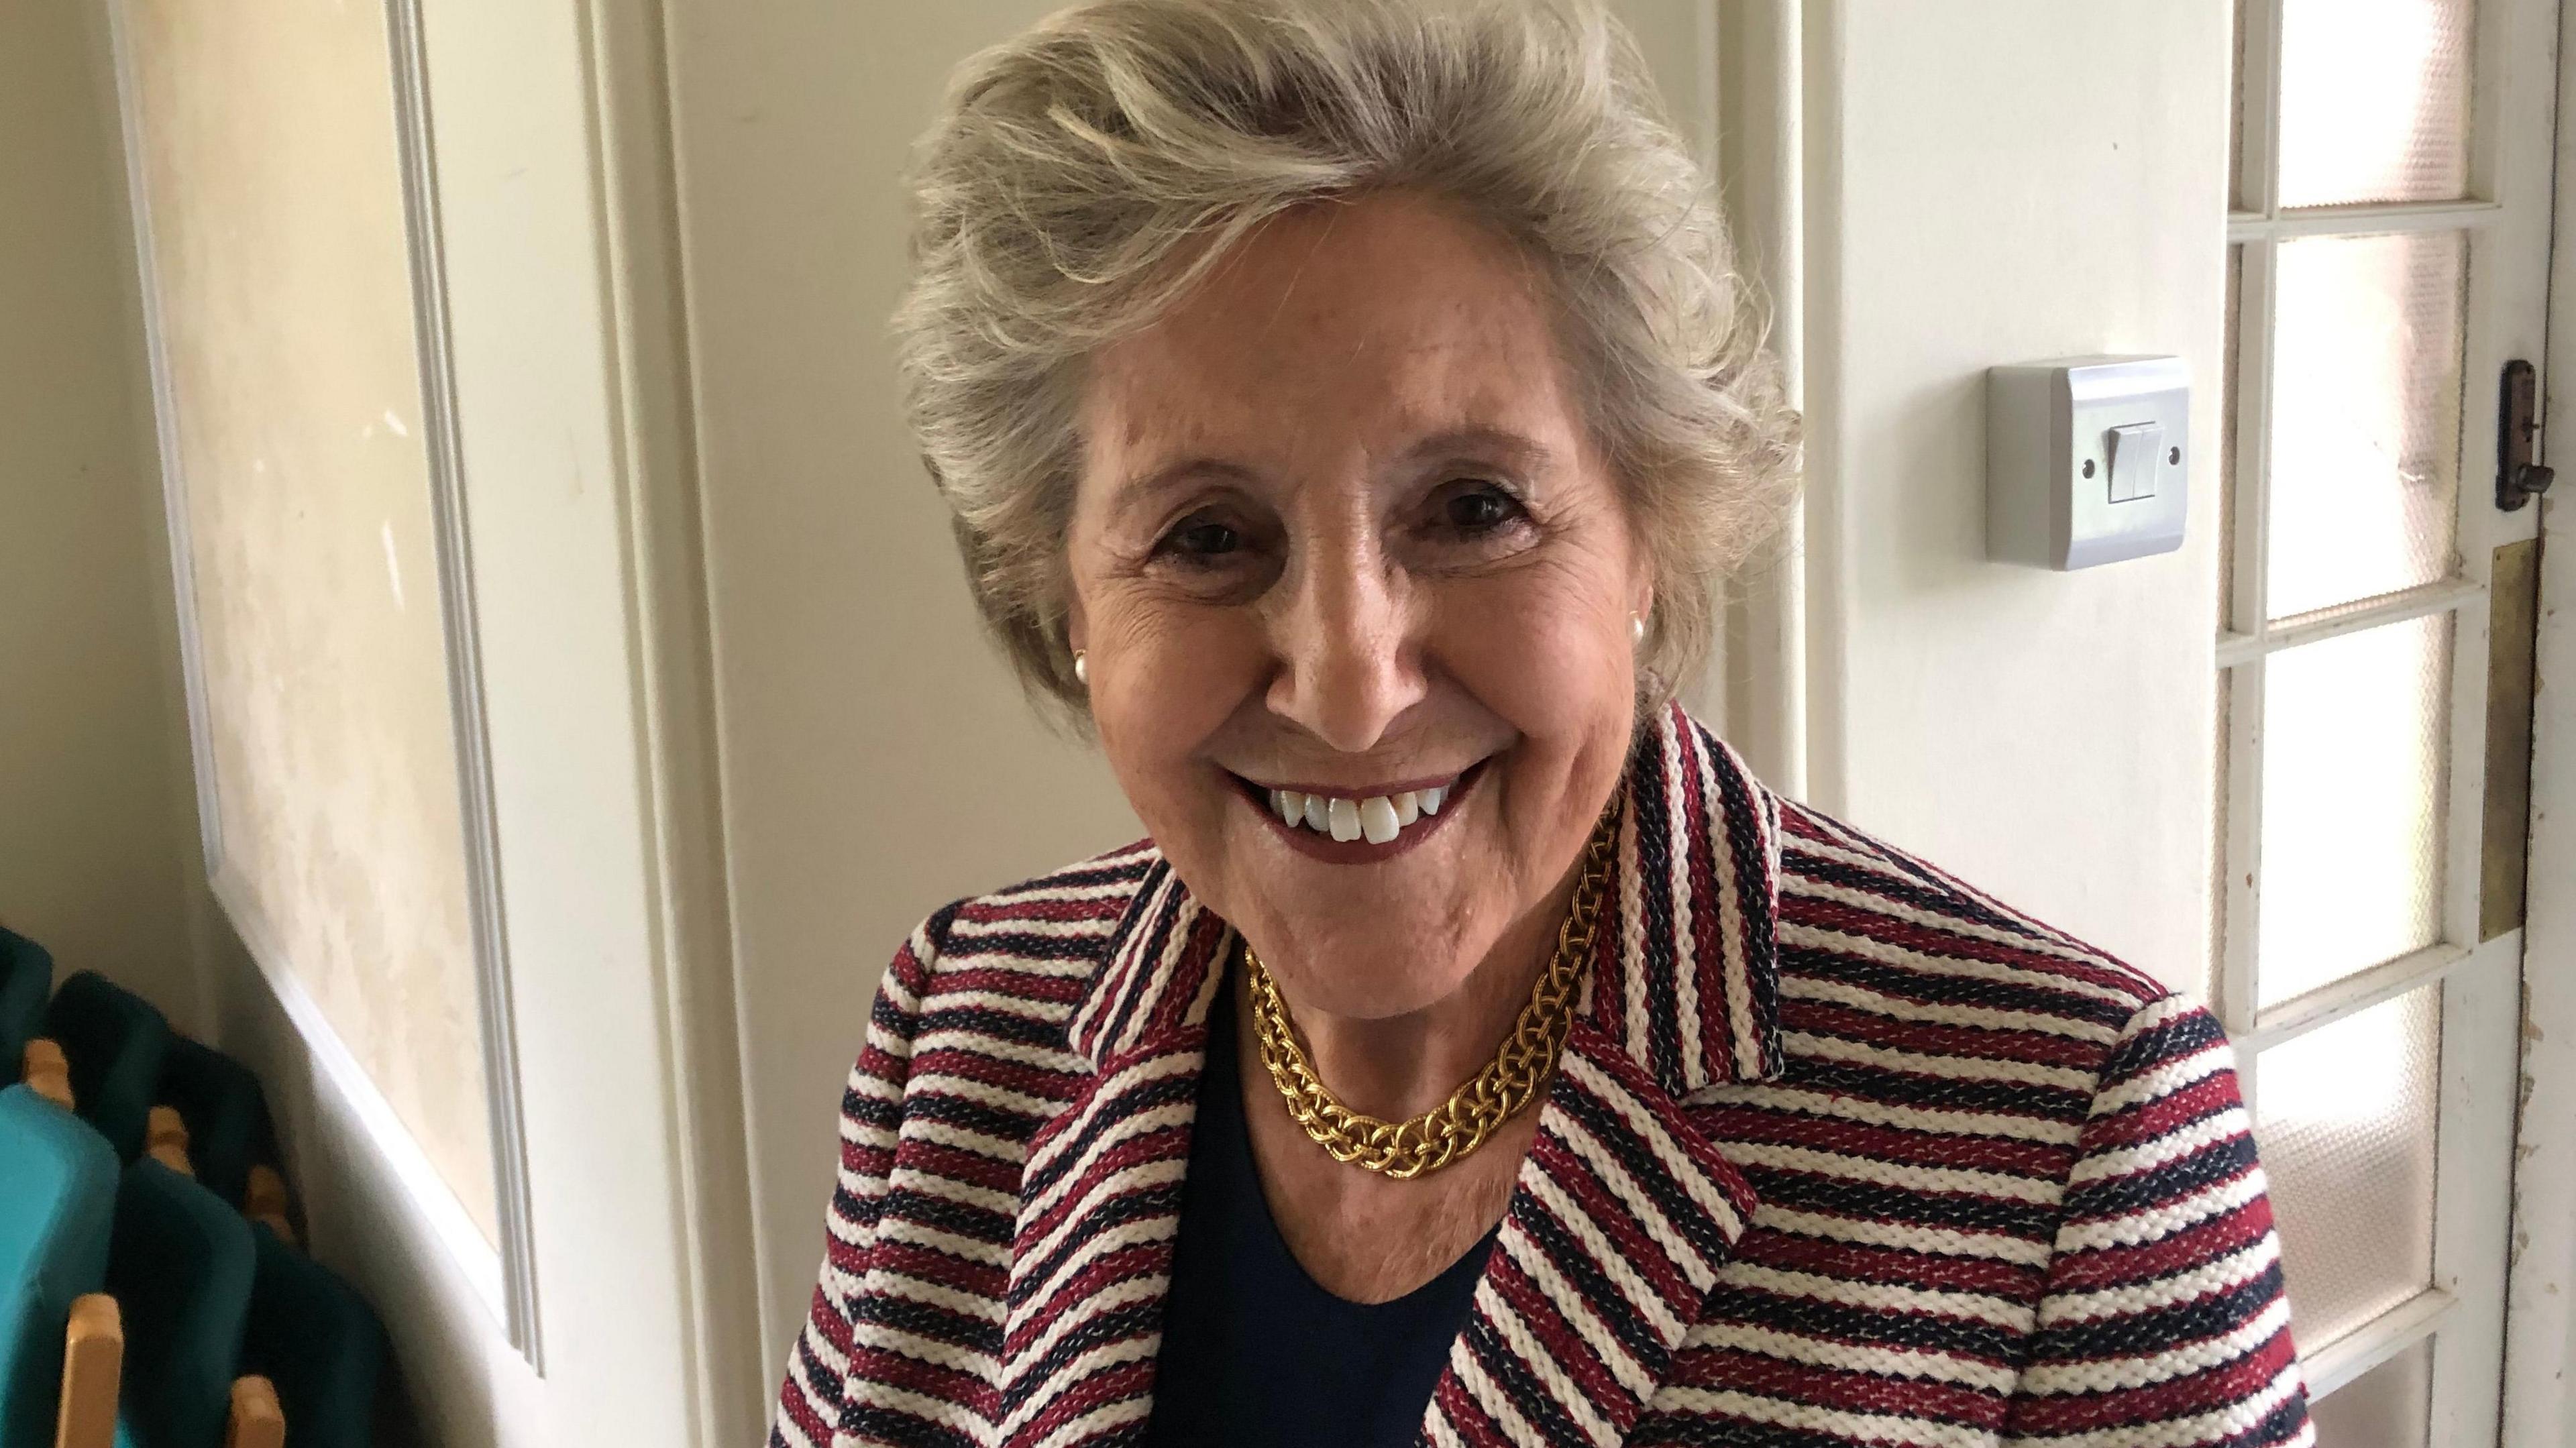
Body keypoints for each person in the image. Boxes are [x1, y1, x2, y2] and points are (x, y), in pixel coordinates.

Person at [770, 1, 2313, 1445]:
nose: (1353, 680)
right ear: (1065, 605)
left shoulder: (2068, 1150)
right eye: (1207, 538)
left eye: (1473, 509)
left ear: (1652, 532)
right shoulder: (963, 1034)